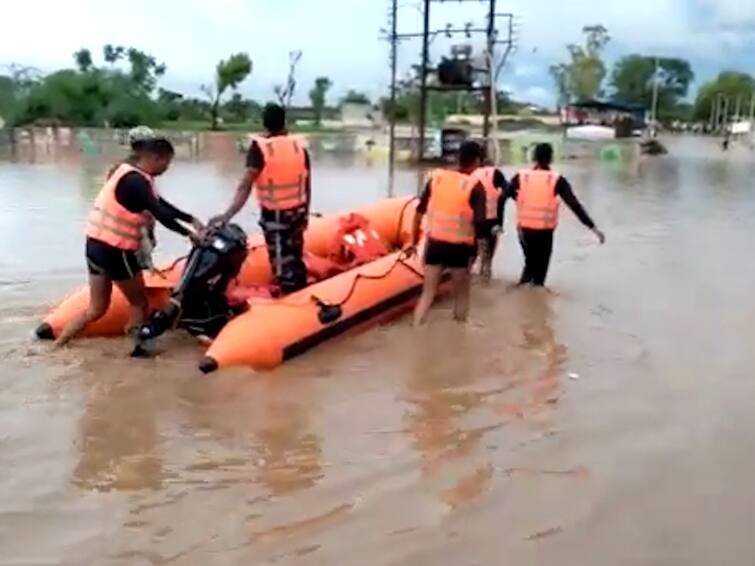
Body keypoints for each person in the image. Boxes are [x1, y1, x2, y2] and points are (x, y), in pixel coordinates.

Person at [55, 134, 204, 348]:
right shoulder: (135, 181)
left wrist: (190, 219)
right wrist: (189, 234)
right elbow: (159, 212)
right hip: (116, 251)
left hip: (95, 245)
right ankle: (136, 351)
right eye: (167, 163)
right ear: (155, 158)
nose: (167, 168)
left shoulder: (127, 174)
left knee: (96, 309)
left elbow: (161, 204)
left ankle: (59, 344)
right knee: (139, 303)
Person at [210, 103, 311, 294]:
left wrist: (228, 214)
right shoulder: (299, 145)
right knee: (295, 257)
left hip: (277, 216)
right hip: (298, 211)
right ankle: (299, 287)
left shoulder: (260, 148)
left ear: (264, 124)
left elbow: (246, 184)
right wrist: (306, 213)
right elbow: (307, 182)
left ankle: (291, 298)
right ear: (284, 121)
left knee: (281, 261)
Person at [503, 143, 605, 287]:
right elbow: (574, 205)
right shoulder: (557, 180)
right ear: (551, 158)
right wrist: (593, 228)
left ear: (534, 158)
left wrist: (516, 202)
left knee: (530, 264)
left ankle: (519, 294)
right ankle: (534, 300)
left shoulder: (521, 176)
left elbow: (502, 196)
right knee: (539, 275)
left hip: (524, 231)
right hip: (544, 233)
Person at [412, 140, 488, 326]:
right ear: (477, 161)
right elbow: (480, 224)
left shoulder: (437, 179)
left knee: (427, 294)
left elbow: (418, 212)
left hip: (434, 244)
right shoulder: (476, 186)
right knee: (461, 295)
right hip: (460, 248)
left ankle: (416, 330)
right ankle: (459, 337)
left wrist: (413, 242)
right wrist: (481, 253)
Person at [470, 163, 507, 280]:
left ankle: (473, 279)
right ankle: (486, 279)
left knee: (476, 252)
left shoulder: (472, 174)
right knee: (488, 257)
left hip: (477, 221)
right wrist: (500, 218)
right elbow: (506, 191)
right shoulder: (495, 172)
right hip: (493, 220)